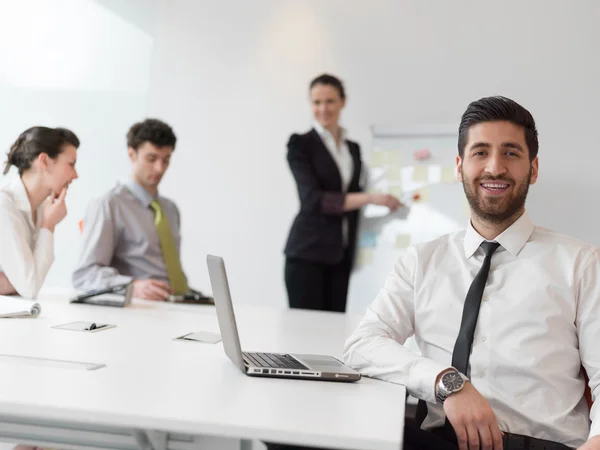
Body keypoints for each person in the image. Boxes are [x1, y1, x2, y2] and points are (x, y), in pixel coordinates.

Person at [343, 96, 600, 450]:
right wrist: (447, 381)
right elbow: (362, 344)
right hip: (437, 441)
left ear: (534, 168)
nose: (495, 167)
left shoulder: (582, 264)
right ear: (459, 165)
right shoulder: (422, 261)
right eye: (481, 152)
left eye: (511, 152)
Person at [284, 74, 402, 313]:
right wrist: (369, 198)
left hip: (342, 255)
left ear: (342, 102)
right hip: (308, 255)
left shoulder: (352, 149)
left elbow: (356, 191)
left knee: (334, 334)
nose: (323, 108)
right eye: (316, 102)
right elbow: (313, 200)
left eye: (329, 101)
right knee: (304, 336)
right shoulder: (300, 145)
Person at [72, 118, 197, 301]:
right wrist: (131, 286)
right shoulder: (109, 204)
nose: (159, 168)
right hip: (140, 307)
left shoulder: (170, 210)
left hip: (178, 302)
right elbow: (85, 275)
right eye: (151, 158)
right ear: (132, 154)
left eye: (166, 160)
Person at [0, 126, 79, 299]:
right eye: (71, 164)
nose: (76, 175)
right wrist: (48, 226)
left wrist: (13, 281)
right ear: (44, 161)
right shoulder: (4, 205)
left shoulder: (42, 208)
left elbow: (28, 282)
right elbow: (30, 287)